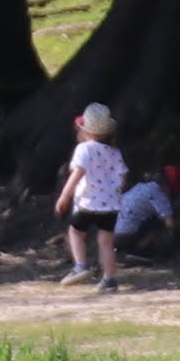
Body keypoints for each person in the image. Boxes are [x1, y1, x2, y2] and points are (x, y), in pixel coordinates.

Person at [56, 102, 131, 290]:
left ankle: (80, 266)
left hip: (88, 202)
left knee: (76, 232)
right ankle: (109, 280)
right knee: (106, 242)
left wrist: (64, 196)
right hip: (111, 205)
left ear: (86, 130)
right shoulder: (115, 152)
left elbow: (77, 174)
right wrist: (112, 189)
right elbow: (123, 178)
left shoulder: (84, 149)